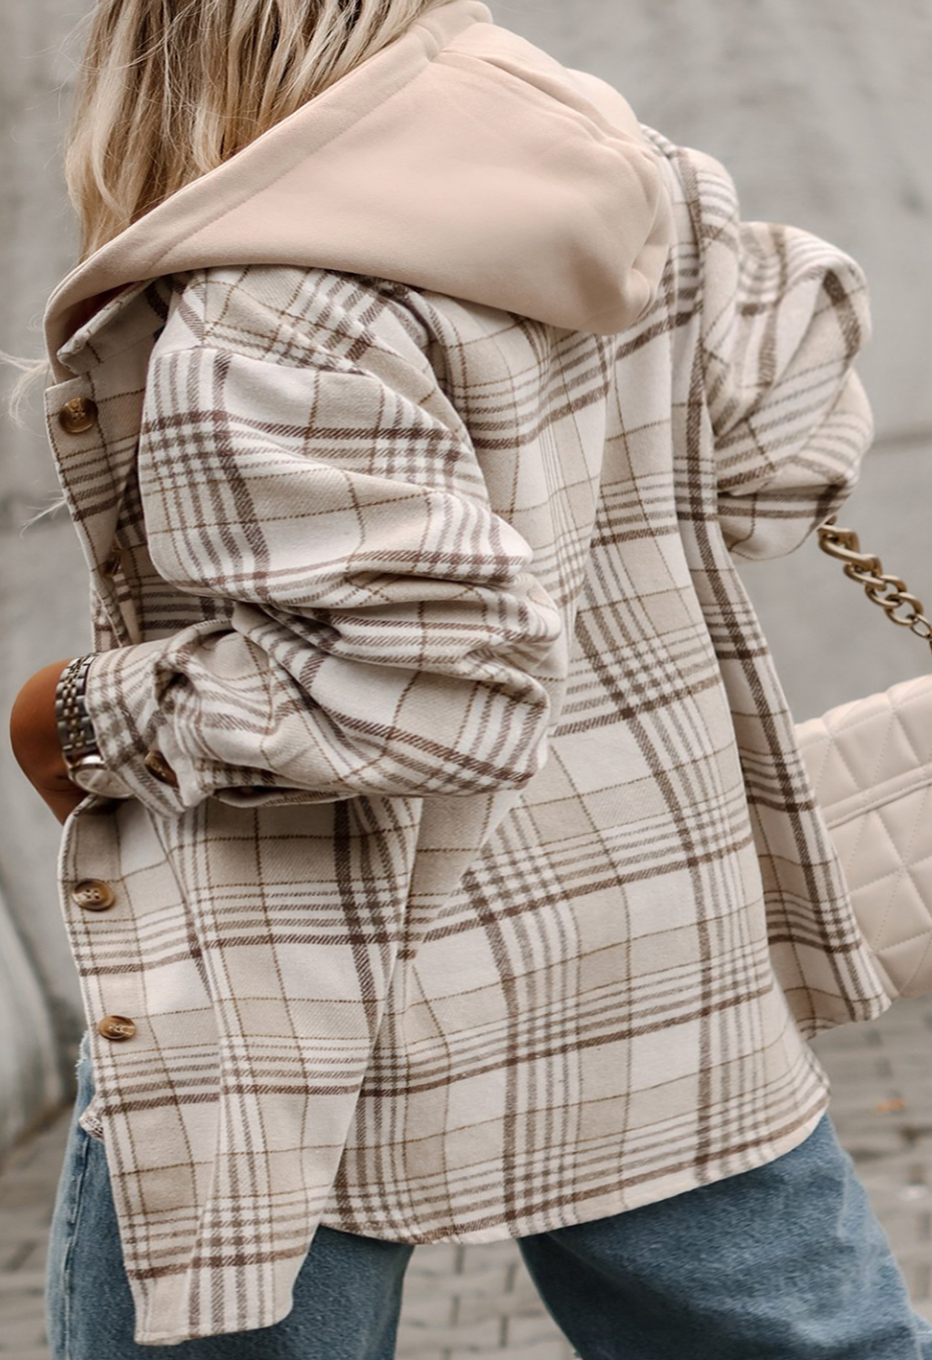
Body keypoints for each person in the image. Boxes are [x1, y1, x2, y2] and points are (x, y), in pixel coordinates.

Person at [8, 1, 931, 1356]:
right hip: (645, 921)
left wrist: (81, 717)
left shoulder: (273, 309)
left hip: (302, 975)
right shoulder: (626, 185)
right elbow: (782, 431)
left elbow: (434, 697)